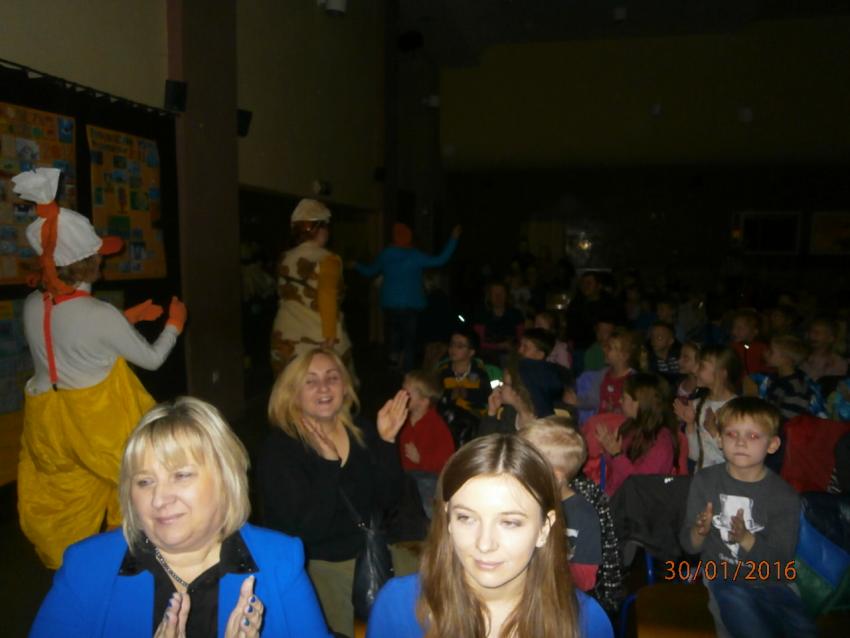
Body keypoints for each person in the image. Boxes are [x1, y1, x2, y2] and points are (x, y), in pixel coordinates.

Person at [30, 397, 332, 638]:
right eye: (144, 481)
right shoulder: (88, 567)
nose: (159, 499)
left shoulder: (279, 560)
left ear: (226, 480)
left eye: (181, 475)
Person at [13, 168, 186, 570]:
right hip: (96, 423)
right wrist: (174, 324)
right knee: (132, 492)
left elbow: (69, 337)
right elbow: (152, 358)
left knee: (67, 502)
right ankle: (127, 570)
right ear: (88, 264)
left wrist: (127, 320)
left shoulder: (34, 304)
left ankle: (77, 571)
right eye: (99, 256)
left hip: (48, 422)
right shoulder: (98, 313)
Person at [366, 434, 614, 638]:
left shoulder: (587, 622)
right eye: (466, 518)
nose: (484, 544)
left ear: (544, 529)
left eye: (509, 522)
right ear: (448, 519)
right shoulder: (398, 606)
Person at [258, 347, 415, 637]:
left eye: (332, 378)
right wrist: (328, 467)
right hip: (318, 566)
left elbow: (388, 500)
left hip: (370, 553)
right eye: (311, 380)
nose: (324, 387)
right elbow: (303, 532)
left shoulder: (361, 430)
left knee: (435, 597)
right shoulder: (280, 449)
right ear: (292, 392)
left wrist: (386, 442)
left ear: (345, 387)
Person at [679, 397, 817, 638]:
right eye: (732, 434)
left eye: (753, 436)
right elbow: (689, 546)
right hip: (723, 577)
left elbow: (780, 566)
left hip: (773, 581)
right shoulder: (705, 481)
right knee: (745, 622)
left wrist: (745, 539)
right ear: (719, 439)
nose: (740, 442)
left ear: (772, 444)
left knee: (802, 630)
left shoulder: (784, 495)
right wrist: (699, 532)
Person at [353, 223, 461, 371]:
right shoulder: (415, 255)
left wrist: (356, 265)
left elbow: (369, 271)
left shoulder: (386, 254)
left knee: (394, 334)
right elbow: (440, 260)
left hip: (390, 304)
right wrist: (453, 239)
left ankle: (393, 360)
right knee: (409, 340)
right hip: (411, 305)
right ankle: (407, 370)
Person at [270, 199, 354, 376]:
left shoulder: (284, 257)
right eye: (326, 227)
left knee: (290, 387)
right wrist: (330, 337)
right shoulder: (327, 259)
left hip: (285, 336)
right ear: (319, 230)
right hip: (318, 337)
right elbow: (327, 296)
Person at [520, 421, 602, 592]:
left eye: (526, 469)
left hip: (557, 595)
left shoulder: (583, 515)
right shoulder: (522, 500)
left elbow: (587, 580)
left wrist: (545, 568)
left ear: (555, 478)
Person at [594, 373, 679, 495]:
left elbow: (641, 482)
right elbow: (616, 469)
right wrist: (609, 449)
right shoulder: (630, 426)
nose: (620, 401)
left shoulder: (662, 441)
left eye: (624, 397)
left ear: (639, 402)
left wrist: (616, 454)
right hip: (617, 495)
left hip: (637, 502)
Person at [398, 370, 456, 516]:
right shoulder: (401, 419)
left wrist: (421, 459)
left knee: (427, 500)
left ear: (424, 401)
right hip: (405, 476)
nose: (401, 395)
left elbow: (447, 462)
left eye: (407, 393)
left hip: (428, 477)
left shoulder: (436, 426)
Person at [675, 345, 740, 471]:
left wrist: (714, 431)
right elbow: (695, 455)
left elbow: (738, 455)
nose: (695, 370)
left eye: (701, 366)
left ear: (721, 373)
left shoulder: (738, 408)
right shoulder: (698, 404)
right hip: (702, 477)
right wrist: (690, 424)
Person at [473, 280, 526, 365]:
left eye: (501, 293)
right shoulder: (481, 315)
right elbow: (477, 342)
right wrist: (498, 346)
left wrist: (513, 347)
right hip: (487, 356)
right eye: (494, 293)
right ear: (489, 296)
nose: (498, 296)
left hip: (511, 355)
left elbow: (522, 339)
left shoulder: (516, 315)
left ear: (506, 295)